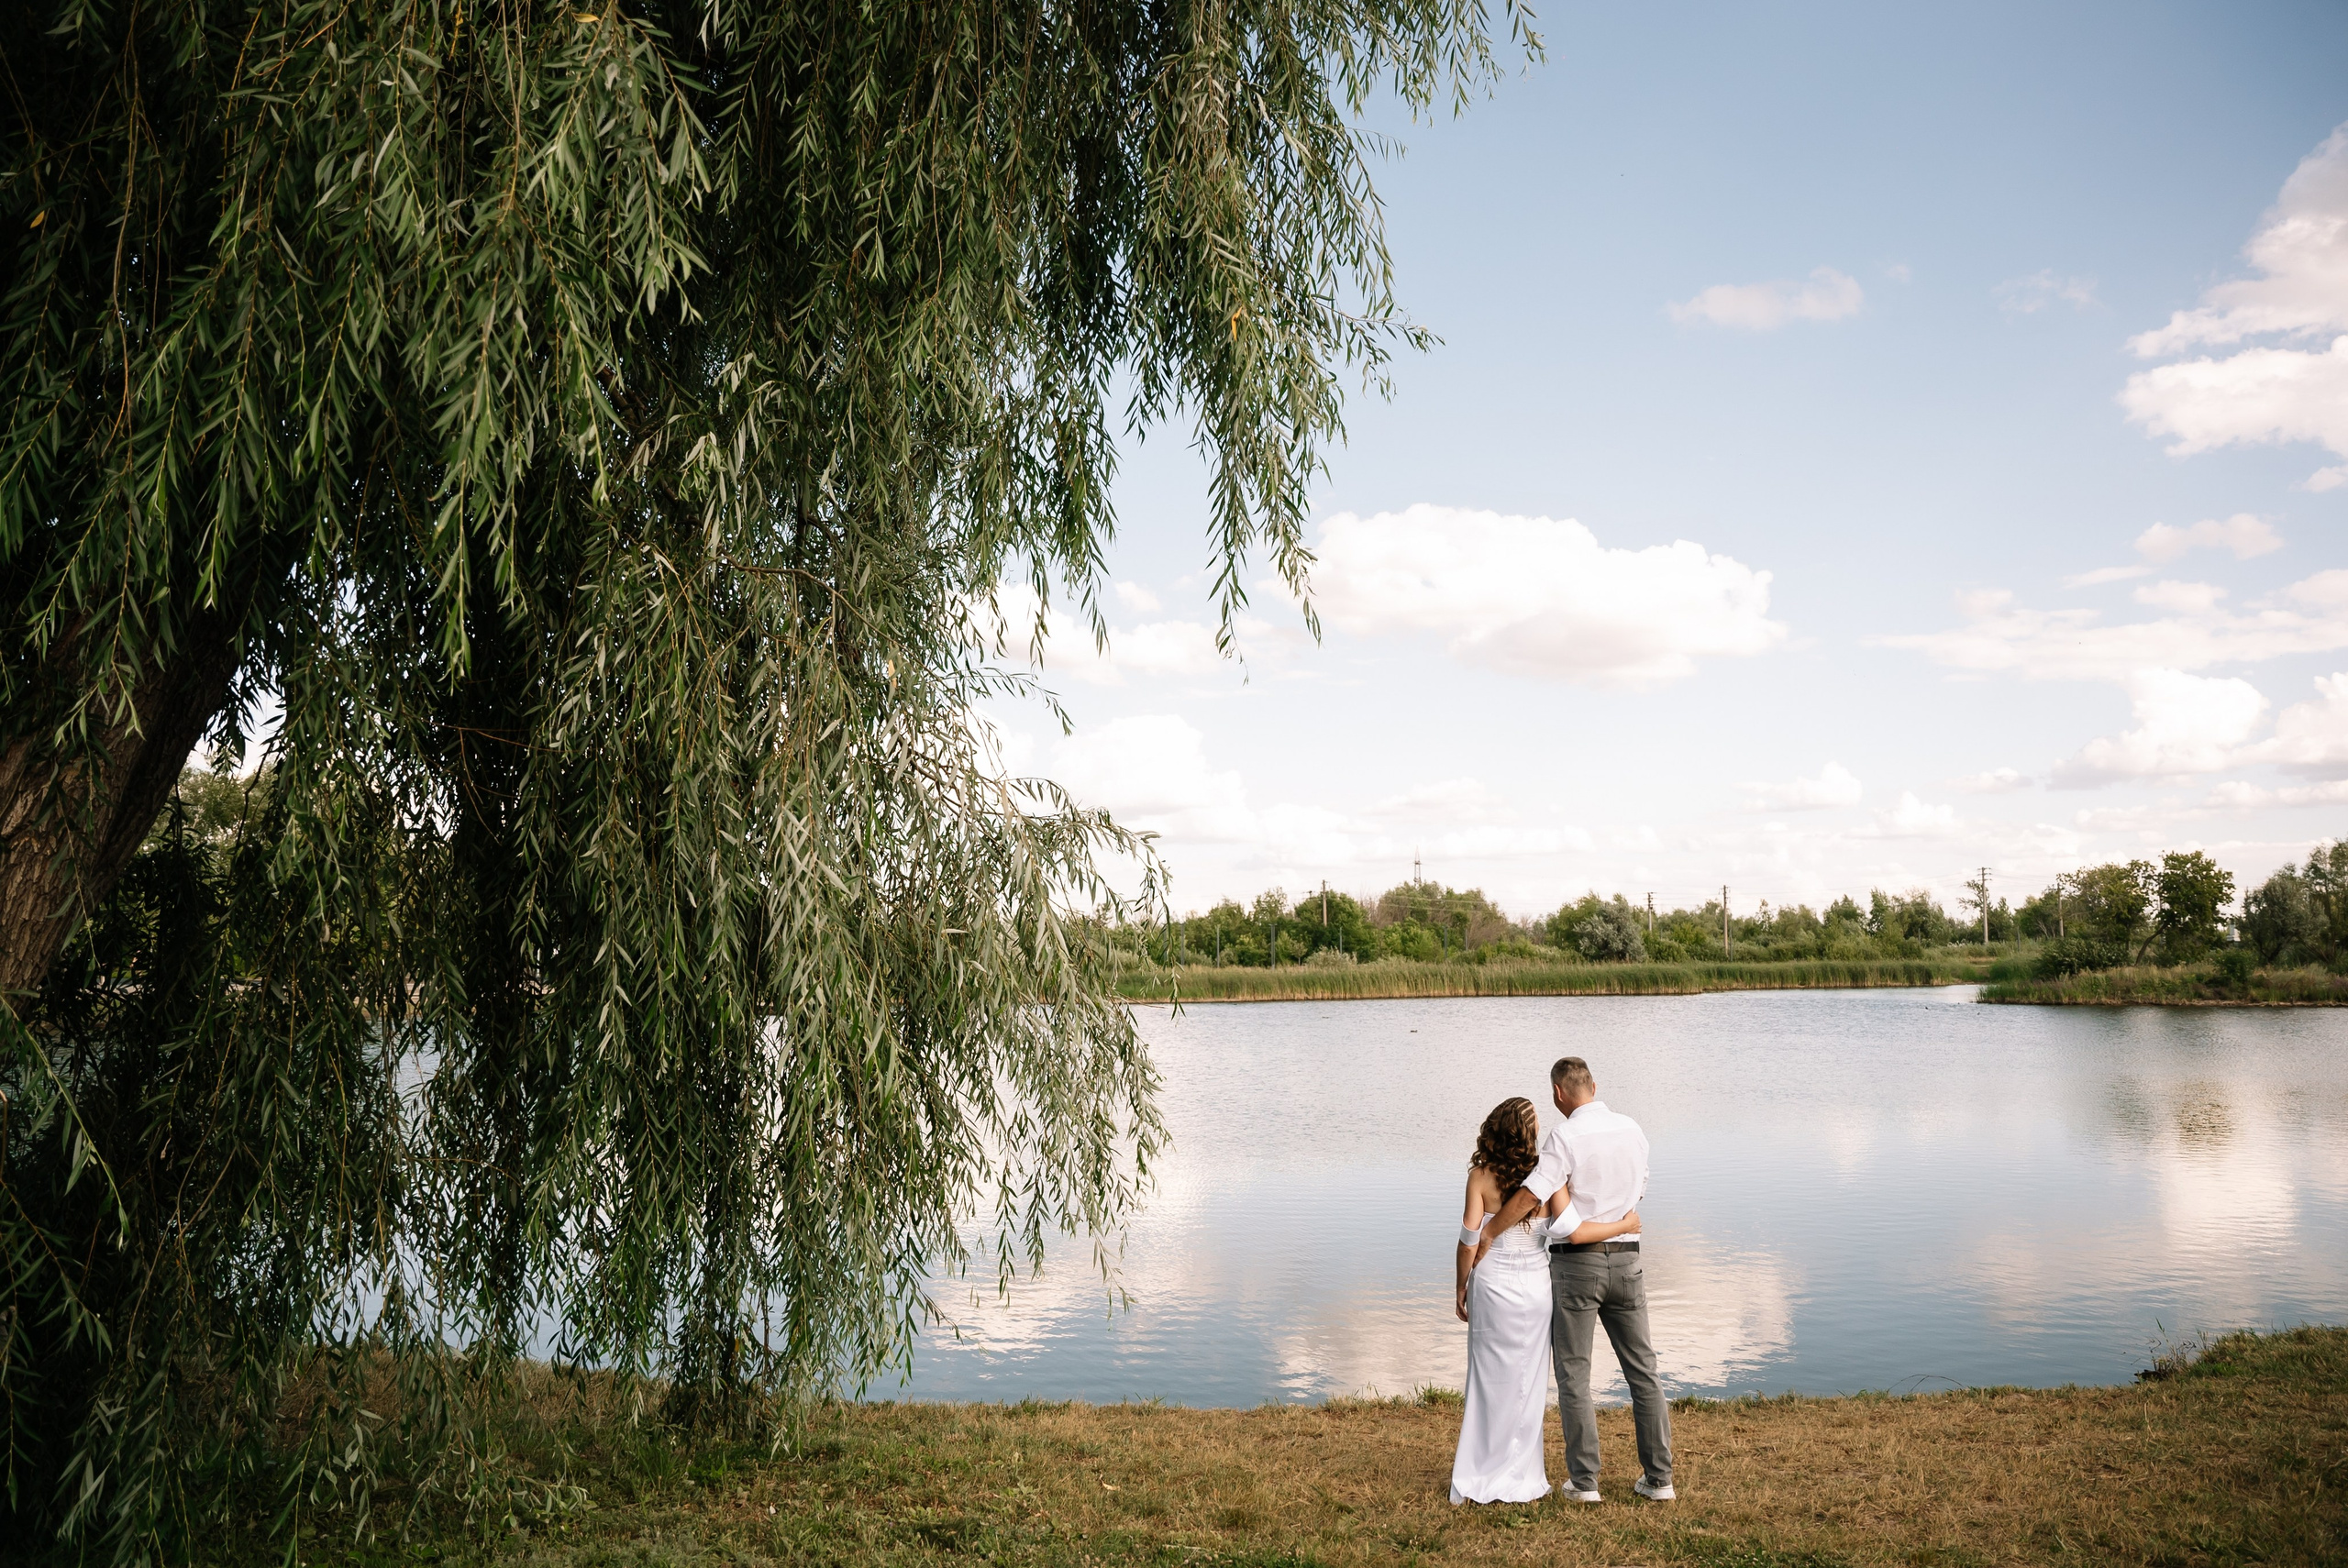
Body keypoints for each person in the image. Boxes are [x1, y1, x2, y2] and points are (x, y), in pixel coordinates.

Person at [1473, 1056, 1673, 1504]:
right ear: (1593, 1086)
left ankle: (1585, 1483)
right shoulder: (1633, 1130)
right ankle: (1660, 1480)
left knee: (1574, 1375)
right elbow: (1638, 1191)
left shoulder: (1563, 1136)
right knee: (1644, 1372)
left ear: (1559, 1094)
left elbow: (1531, 1195)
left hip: (1576, 1266)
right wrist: (1618, 1218)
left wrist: (1489, 1232)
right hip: (1627, 1262)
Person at [1449, 1096, 1642, 1506]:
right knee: (1529, 1382)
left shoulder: (1480, 1177)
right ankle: (1521, 1475)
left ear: (1494, 1127)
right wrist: (1624, 1224)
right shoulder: (1548, 1174)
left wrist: (1461, 1286)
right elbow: (1573, 1229)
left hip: (1493, 1284)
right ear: (1530, 1134)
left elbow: (1469, 1241)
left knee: (1487, 1380)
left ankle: (1481, 1469)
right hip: (1537, 1288)